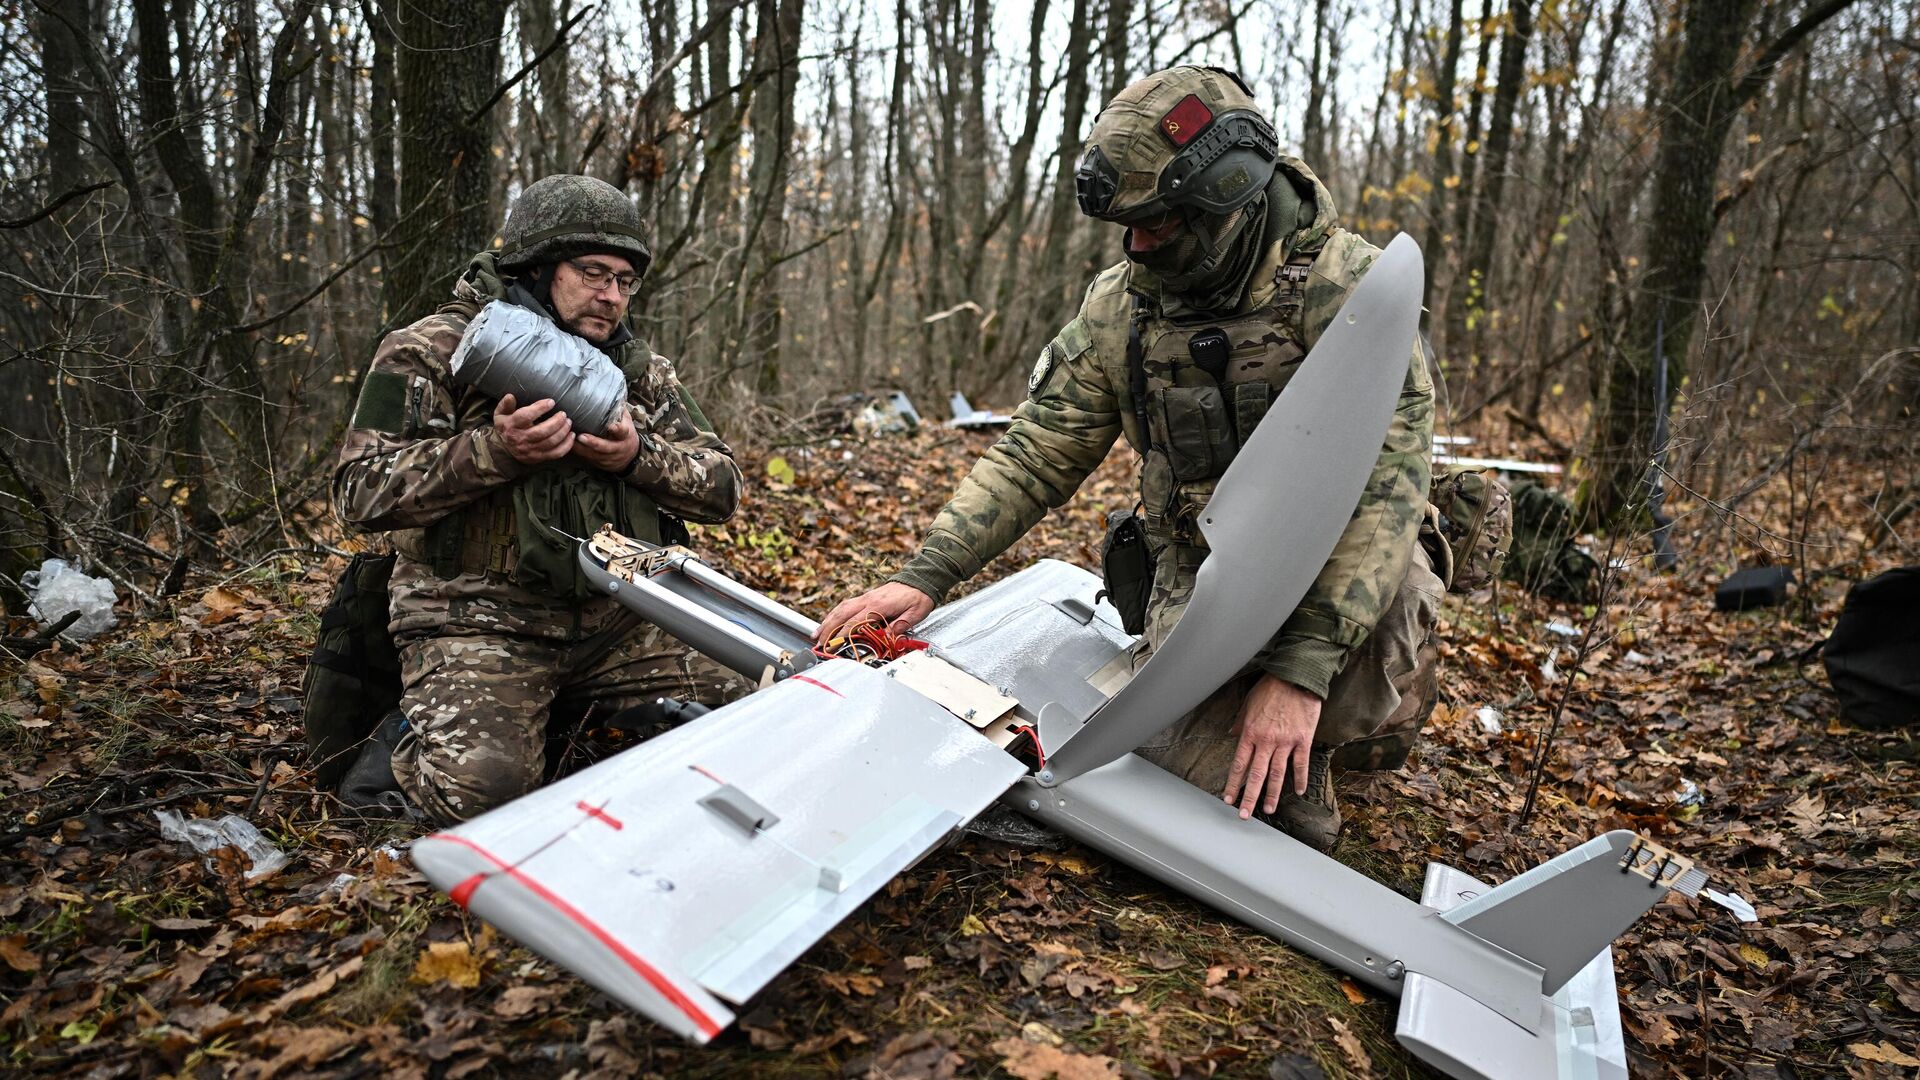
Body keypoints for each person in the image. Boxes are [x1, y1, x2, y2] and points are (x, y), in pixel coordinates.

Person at [816, 67, 1442, 851]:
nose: (1137, 245)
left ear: (1229, 199)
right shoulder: (1123, 307)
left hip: (1344, 561)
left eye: (1161, 224)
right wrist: (924, 574)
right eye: (1128, 225)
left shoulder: (1349, 291)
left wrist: (1300, 674)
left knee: (1292, 752)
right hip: (1208, 571)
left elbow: (1387, 492)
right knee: (1154, 779)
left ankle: (1349, 716)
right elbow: (1038, 449)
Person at [331, 174, 750, 824]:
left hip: (618, 618)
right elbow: (359, 492)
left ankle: (572, 724)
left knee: (765, 705)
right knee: (484, 795)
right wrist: (492, 452)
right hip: (477, 619)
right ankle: (402, 748)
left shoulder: (633, 371)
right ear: (536, 266)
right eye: (592, 273)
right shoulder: (434, 350)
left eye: (624, 280)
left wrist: (639, 457)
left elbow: (723, 486)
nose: (611, 296)